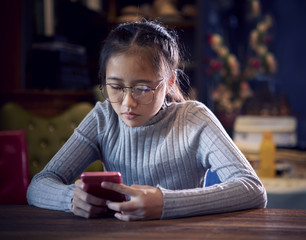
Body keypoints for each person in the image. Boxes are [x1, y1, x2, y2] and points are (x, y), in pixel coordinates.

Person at [27, 20, 267, 221]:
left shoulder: (193, 118)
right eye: (116, 87)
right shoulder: (103, 117)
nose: (128, 103)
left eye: (142, 88)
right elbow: (39, 185)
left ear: (170, 82)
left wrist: (166, 203)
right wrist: (70, 198)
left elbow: (252, 189)